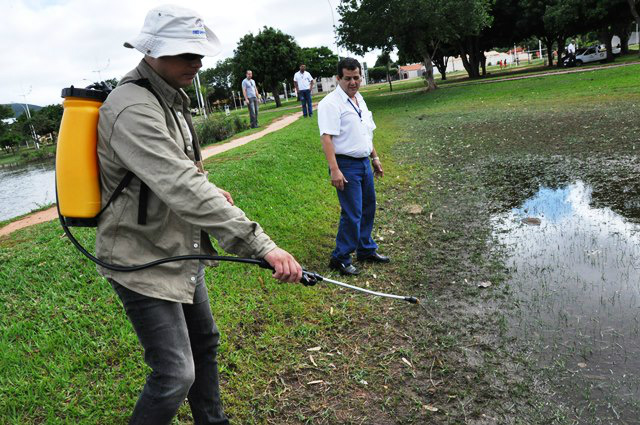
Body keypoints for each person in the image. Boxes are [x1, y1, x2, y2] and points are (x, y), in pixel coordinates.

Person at [96, 5, 302, 424]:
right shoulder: (131, 106)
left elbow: (185, 173)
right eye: (185, 53)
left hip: (178, 246)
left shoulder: (168, 97)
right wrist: (262, 245)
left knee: (205, 342)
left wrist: (209, 188)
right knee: (175, 373)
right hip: (141, 257)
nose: (198, 62)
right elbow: (181, 185)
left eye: (199, 53)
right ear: (153, 50)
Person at [317, 57, 389, 276]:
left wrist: (375, 158)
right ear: (338, 78)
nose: (353, 82)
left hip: (364, 162)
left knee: (368, 206)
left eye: (356, 77)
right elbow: (326, 138)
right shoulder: (330, 103)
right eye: (348, 78)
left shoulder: (359, 99)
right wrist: (335, 169)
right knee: (352, 213)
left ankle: (366, 249)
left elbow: (366, 132)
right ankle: (340, 257)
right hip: (346, 165)